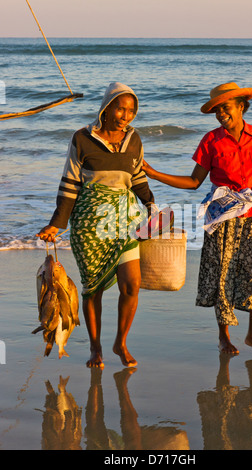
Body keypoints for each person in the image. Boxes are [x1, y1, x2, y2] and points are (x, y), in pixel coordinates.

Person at [142, 82, 252, 357]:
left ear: (241, 106)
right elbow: (195, 181)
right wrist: (154, 173)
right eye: (218, 110)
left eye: (226, 107)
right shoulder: (211, 140)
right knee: (222, 277)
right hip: (221, 217)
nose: (221, 113)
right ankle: (224, 337)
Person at [36, 82, 155, 368]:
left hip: (126, 220)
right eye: (120, 108)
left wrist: (151, 206)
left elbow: (137, 177)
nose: (125, 116)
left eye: (131, 111)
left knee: (132, 285)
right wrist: (56, 224)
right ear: (106, 106)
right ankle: (95, 347)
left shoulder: (134, 139)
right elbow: (69, 185)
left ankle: (120, 343)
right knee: (93, 289)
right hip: (90, 224)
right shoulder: (82, 138)